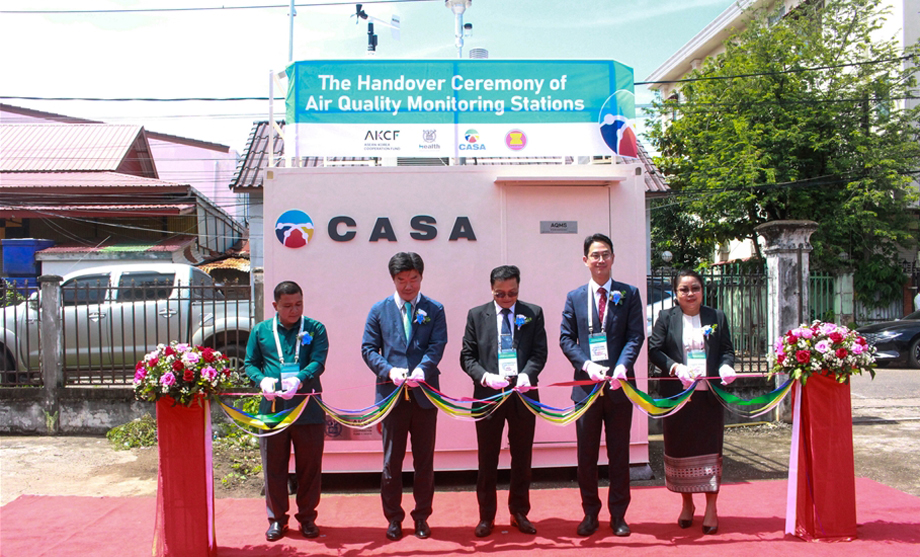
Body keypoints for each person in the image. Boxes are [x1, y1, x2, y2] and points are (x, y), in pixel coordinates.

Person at [560, 233, 645, 537]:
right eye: (594, 255)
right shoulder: (575, 297)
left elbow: (636, 335)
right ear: (585, 260)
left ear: (612, 258)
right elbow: (566, 338)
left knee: (619, 454)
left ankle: (619, 515)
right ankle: (590, 513)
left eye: (605, 254)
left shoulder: (629, 293)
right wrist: (586, 364)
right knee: (586, 455)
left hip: (620, 388)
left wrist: (623, 365)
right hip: (586, 388)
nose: (600, 260)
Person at [361, 252, 448, 541]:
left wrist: (423, 368)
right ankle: (394, 518)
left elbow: (437, 344)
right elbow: (369, 349)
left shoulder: (434, 309)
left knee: (424, 460)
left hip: (424, 397)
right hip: (392, 395)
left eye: (413, 279)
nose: (408, 286)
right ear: (393, 279)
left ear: (421, 277)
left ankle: (422, 516)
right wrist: (389, 371)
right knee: (391, 461)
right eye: (402, 280)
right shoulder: (379, 310)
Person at [460, 265, 548, 538]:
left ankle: (519, 512)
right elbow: (467, 356)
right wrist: (485, 377)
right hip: (489, 397)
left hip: (522, 396)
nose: (507, 298)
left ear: (519, 289)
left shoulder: (533, 313)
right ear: (491, 289)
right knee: (487, 459)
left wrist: (527, 374)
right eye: (500, 294)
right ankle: (486, 516)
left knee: (522, 457)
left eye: (512, 293)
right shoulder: (477, 315)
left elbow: (539, 352)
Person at [648, 269, 736, 535]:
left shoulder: (715, 316)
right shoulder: (666, 317)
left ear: (702, 290)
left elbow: (726, 350)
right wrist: (675, 368)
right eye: (684, 289)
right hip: (678, 396)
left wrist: (726, 367)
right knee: (680, 451)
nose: (690, 294)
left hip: (708, 397)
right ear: (675, 293)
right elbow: (654, 349)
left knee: (709, 452)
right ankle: (687, 504)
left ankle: (711, 507)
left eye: (695, 288)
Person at [244, 281, 329, 542]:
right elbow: (250, 364)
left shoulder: (315, 328)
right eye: (288, 306)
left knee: (309, 467)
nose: (294, 310)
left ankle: (307, 518)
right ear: (275, 306)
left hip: (307, 408)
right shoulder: (261, 331)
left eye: (299, 304)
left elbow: (319, 360)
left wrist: (301, 378)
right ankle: (277, 519)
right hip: (272, 410)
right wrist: (261, 380)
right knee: (274, 466)